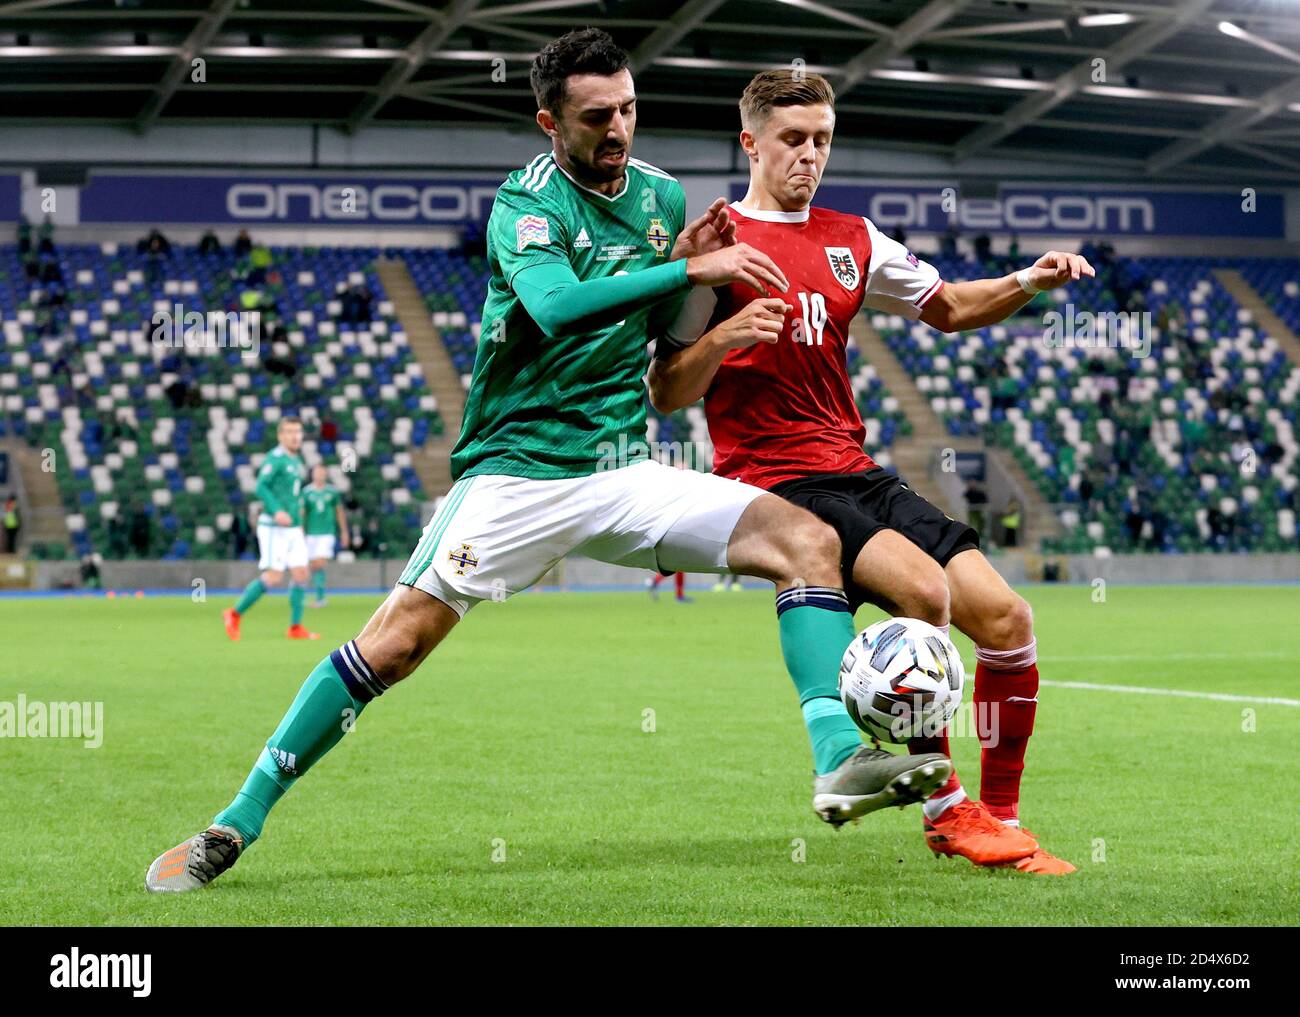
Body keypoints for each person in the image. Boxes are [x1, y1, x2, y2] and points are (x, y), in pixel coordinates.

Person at [146, 29, 953, 893]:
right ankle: (239, 816)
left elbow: (665, 333)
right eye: (597, 116)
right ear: (550, 122)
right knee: (397, 643)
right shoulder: (525, 203)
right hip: (517, 473)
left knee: (806, 539)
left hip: (623, 468)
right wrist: (688, 269)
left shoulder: (660, 196)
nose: (619, 129)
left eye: (629, 109)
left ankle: (837, 756)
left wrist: (686, 271)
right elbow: (559, 305)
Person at [650, 69, 1095, 875]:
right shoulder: (715, 245)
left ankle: (1002, 819)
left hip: (854, 467)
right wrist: (724, 334)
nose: (809, 155)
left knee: (1008, 620)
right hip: (776, 480)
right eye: (792, 139)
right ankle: (946, 809)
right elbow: (667, 389)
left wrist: (1028, 280)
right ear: (750, 142)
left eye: (822, 140)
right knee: (925, 592)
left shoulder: (853, 237)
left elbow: (950, 307)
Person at [222, 417, 319, 642]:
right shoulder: (275, 458)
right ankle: (234, 613)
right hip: (274, 527)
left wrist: (298, 521)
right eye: (290, 432)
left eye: (298, 431)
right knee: (274, 576)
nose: (295, 436)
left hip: (293, 527)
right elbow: (261, 487)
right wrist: (276, 511)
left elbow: (294, 495)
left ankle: (295, 627)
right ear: (280, 435)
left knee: (301, 574)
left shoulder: (296, 460)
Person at [303, 464, 350, 607]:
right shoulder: (306, 492)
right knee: (314, 564)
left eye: (322, 472)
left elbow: (339, 512)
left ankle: (318, 597)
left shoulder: (332, 492)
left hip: (327, 533)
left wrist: (344, 532)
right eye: (317, 472)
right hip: (311, 533)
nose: (319, 475)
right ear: (313, 474)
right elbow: (302, 513)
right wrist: (300, 532)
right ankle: (318, 596)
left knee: (319, 562)